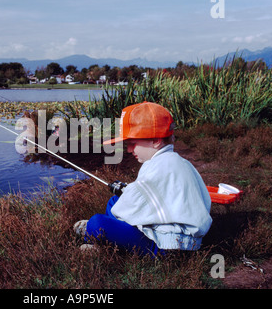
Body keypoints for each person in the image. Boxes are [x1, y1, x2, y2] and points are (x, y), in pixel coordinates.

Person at [74, 102, 212, 257]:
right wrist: (127, 192)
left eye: (133, 143)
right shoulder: (178, 162)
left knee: (97, 222)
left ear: (156, 140)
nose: (129, 149)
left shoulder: (159, 166)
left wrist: (128, 194)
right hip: (182, 235)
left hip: (167, 246)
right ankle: (108, 238)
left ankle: (95, 242)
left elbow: (134, 202)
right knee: (114, 201)